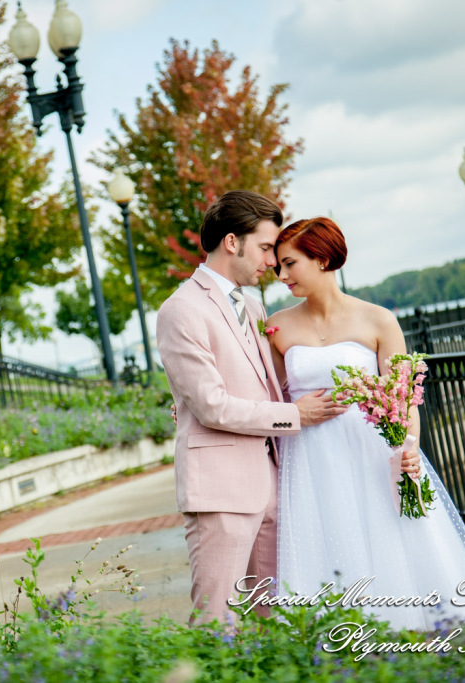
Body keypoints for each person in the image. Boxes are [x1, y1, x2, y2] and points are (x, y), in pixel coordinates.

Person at [266, 216, 465, 630]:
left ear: (321, 259)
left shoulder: (378, 320)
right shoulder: (277, 327)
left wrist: (408, 447)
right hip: (310, 457)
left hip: (372, 451)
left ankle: (405, 627)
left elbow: (403, 398)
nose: (281, 275)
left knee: (389, 536)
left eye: (289, 264)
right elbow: (268, 397)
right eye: (278, 266)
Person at [156, 190, 355, 627]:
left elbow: (266, 384)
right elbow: (210, 405)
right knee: (217, 618)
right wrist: (294, 416)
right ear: (232, 242)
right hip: (221, 488)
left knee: (274, 617)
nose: (273, 261)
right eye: (265, 248)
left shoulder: (252, 304)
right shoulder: (181, 310)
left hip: (272, 480)